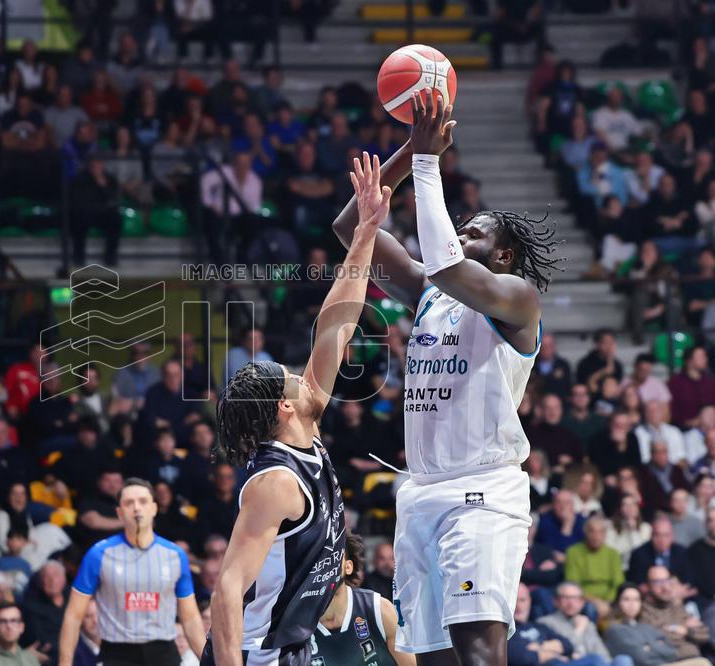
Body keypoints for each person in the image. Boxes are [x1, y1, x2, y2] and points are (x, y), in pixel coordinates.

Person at [332, 89, 563, 663]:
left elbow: (446, 263)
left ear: (504, 257)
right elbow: (350, 225)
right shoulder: (430, 293)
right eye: (459, 229)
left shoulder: (517, 299)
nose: (461, 235)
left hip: (482, 492)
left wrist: (429, 162)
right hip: (420, 494)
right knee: (432, 657)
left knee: (478, 652)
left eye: (474, 233)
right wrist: (410, 151)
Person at [202, 151, 390, 665]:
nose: (302, 373)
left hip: (293, 647)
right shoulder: (276, 483)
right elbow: (227, 589)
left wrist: (366, 232)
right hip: (256, 654)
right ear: (285, 406)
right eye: (291, 376)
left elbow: (336, 326)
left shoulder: (306, 428)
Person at [58, 478, 205, 666]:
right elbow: (73, 616)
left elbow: (190, 617)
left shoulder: (176, 555)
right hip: (117, 653)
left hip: (163, 652)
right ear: (119, 513)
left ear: (154, 508)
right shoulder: (98, 554)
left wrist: (207, 661)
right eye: (129, 503)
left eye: (143, 501)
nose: (136, 508)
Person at [310, 531, 414, 666]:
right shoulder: (296, 625)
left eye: (332, 557)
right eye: (318, 558)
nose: (324, 565)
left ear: (348, 567)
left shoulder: (379, 609)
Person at [603, 583, 708, 666]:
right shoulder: (614, 629)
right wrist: (657, 645)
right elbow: (641, 657)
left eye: (636, 599)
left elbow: (672, 652)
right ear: (618, 602)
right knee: (701, 663)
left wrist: (649, 647)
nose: (632, 604)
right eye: (626, 599)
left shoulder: (644, 626)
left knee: (702, 662)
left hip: (667, 663)